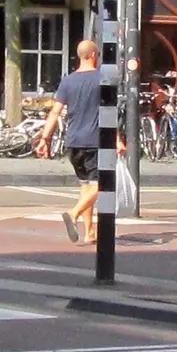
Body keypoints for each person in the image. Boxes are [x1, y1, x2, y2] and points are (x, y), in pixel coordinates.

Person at [44, 36, 108, 240]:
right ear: (94, 55)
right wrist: (117, 139)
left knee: (86, 186)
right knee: (103, 183)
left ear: (80, 56)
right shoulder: (101, 79)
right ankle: (73, 214)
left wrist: (45, 138)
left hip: (73, 141)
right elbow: (109, 112)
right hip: (94, 140)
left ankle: (89, 232)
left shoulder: (67, 81)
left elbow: (55, 111)